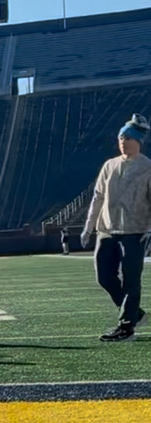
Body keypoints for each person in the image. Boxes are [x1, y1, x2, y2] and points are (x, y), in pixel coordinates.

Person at [80, 113, 151, 342]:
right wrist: (88, 227)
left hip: (134, 231)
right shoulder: (109, 165)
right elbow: (98, 197)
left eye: (127, 138)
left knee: (131, 279)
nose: (123, 142)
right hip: (107, 230)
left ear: (138, 141)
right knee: (104, 277)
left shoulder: (147, 167)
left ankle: (126, 327)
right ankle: (135, 313)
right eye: (121, 138)